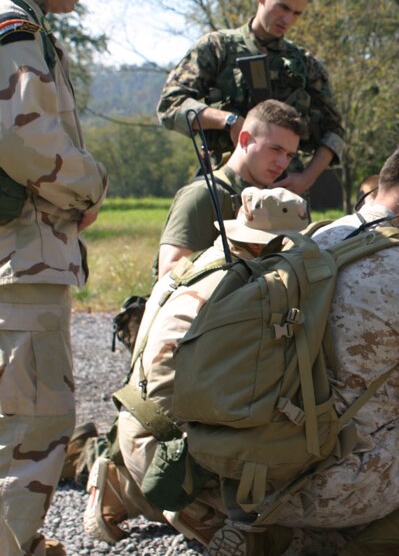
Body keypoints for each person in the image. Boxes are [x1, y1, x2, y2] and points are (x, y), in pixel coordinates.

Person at [191, 142, 399, 555]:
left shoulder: (311, 238)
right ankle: (370, 545)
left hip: (241, 472)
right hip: (335, 486)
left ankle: (287, 540)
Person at [87, 187, 312, 547]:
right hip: (168, 452)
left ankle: (124, 485)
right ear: (263, 245)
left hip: (133, 420)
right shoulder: (239, 291)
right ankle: (192, 510)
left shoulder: (195, 264)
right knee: (290, 532)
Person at [0, 0, 121, 556]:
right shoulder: (13, 24)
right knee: (35, 422)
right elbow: (23, 140)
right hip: (21, 255)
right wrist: (89, 183)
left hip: (18, 251)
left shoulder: (24, 22)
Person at [156, 0, 345, 196]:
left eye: (297, 13)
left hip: (281, 193)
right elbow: (171, 105)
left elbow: (334, 131)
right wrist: (229, 121)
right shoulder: (218, 48)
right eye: (283, 7)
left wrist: (306, 178)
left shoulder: (305, 64)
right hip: (224, 186)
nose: (288, 20)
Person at [157, 99, 303, 278]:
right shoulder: (203, 195)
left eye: (289, 155)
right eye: (275, 149)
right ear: (245, 139)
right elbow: (168, 271)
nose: (282, 163)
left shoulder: (279, 203)